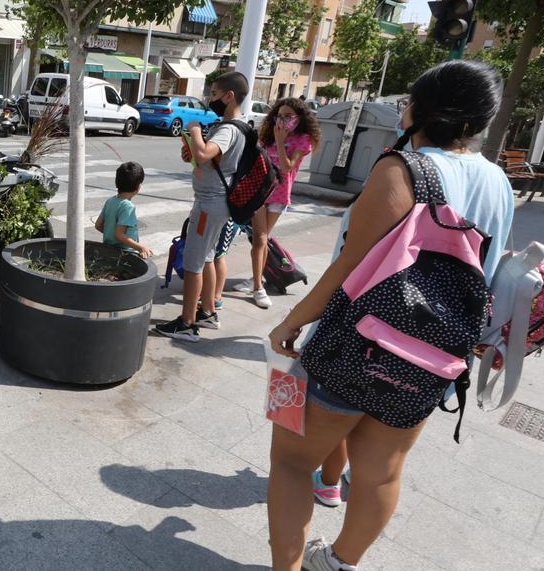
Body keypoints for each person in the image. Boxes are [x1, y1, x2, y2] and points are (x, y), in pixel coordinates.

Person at [265, 60, 514, 571]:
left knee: (291, 465)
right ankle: (338, 564)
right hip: (434, 360)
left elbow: (348, 266)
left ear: (420, 111)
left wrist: (291, 321)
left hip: (353, 348)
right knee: (381, 473)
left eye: (408, 102)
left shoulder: (402, 168)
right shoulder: (499, 184)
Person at [155, 71, 248, 341]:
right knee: (207, 258)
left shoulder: (229, 128)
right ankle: (207, 312)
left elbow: (205, 153)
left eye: (215, 94)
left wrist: (194, 130)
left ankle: (187, 323)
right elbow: (206, 159)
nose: (211, 99)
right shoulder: (235, 127)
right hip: (215, 202)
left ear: (229, 96)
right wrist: (192, 152)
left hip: (210, 205)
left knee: (194, 262)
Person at [247, 98, 321, 309]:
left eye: (288, 116)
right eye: (279, 115)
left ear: (299, 118)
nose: (283, 120)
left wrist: (281, 140)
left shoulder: (303, 139)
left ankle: (256, 279)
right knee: (259, 239)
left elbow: (288, 167)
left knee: (263, 240)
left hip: (279, 194)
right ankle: (257, 285)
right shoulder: (268, 134)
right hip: (260, 190)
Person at [94, 162, 152, 258]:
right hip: (125, 254)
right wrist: (141, 247)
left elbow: (98, 225)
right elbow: (119, 235)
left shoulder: (110, 201)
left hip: (108, 249)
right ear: (138, 186)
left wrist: (111, 235)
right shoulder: (128, 206)